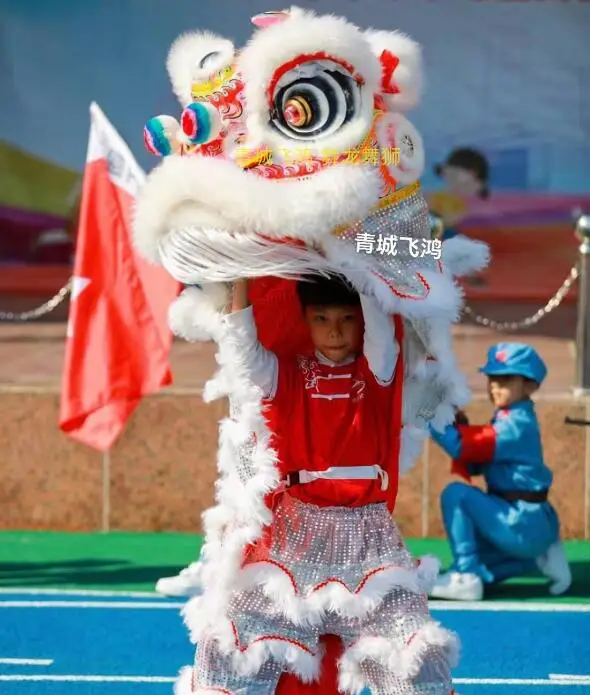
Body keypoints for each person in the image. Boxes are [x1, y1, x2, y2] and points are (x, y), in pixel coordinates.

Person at [182, 273, 457, 694]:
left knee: (410, 648)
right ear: (305, 321)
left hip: (367, 537)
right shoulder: (287, 375)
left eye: (347, 318)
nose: (334, 330)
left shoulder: (377, 375)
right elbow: (244, 352)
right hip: (294, 534)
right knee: (234, 633)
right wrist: (239, 281)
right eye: (322, 318)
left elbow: (382, 327)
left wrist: (360, 262)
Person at [428, 342, 572, 601]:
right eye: (492, 379)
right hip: (530, 522)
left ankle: (466, 576)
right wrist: (457, 424)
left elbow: (462, 448)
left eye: (505, 380)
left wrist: (432, 415)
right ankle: (539, 558)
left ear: (531, 385)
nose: (495, 386)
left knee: (456, 495)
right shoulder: (511, 417)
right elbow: (477, 462)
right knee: (484, 563)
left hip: (521, 522)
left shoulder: (514, 425)